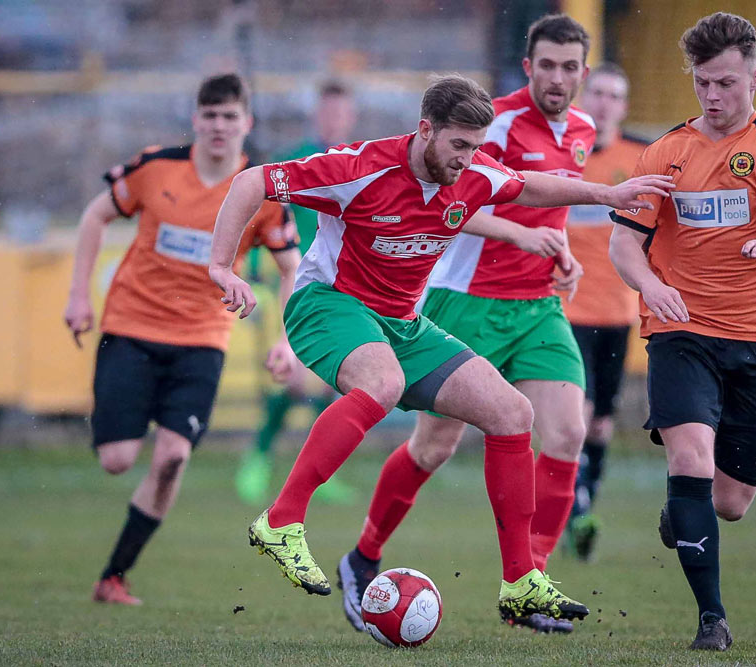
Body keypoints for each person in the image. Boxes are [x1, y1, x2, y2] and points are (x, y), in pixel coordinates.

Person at [209, 74, 674, 623]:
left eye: (476, 147)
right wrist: (221, 266)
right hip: (329, 305)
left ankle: (521, 581)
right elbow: (251, 182)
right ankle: (282, 521)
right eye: (458, 145)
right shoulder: (359, 167)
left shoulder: (472, 171)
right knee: (383, 384)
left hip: (402, 323)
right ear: (425, 129)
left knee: (511, 413)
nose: (467, 159)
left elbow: (528, 185)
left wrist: (606, 193)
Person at [337, 13, 600, 635]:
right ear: (527, 67)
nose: (558, 79)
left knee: (566, 435)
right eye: (547, 65)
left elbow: (552, 212)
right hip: (467, 301)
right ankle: (364, 552)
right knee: (434, 446)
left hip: (538, 308)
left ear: (582, 73)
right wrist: (520, 232)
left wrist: (564, 258)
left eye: (570, 68)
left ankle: (527, 587)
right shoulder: (496, 124)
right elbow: (456, 202)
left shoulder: (583, 131)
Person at [607, 12, 756, 651]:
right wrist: (650, 285)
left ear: (755, 77)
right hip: (682, 331)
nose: (713, 96)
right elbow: (625, 244)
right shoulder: (667, 152)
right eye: (703, 83)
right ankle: (712, 619)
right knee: (690, 457)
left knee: (729, 502)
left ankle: (686, 509)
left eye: (726, 83)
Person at [63, 73, 301, 605]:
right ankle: (125, 418)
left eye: (229, 116)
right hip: (131, 327)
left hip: (203, 339)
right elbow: (94, 216)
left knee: (173, 458)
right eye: (210, 115)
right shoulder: (156, 166)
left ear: (247, 123)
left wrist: (287, 341)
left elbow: (293, 268)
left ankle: (114, 576)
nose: (219, 126)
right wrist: (79, 296)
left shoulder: (261, 189)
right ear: (196, 119)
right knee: (118, 459)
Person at [236, 79, 359, 506]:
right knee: (292, 379)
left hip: (340, 287)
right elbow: (261, 214)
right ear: (317, 114)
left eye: (340, 113)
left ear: (350, 117)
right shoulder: (294, 161)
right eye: (328, 112)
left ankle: (315, 471)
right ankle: (259, 459)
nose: (333, 119)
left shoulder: (360, 163)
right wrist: (254, 269)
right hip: (293, 283)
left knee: (327, 383)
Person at [561, 62, 648, 562]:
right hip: (566, 311)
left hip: (620, 314)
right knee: (578, 414)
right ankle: (577, 508)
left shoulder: (639, 157)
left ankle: (585, 501)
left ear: (624, 106)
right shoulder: (563, 154)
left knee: (600, 426)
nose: (604, 102)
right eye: (597, 92)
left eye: (614, 95)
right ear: (582, 96)